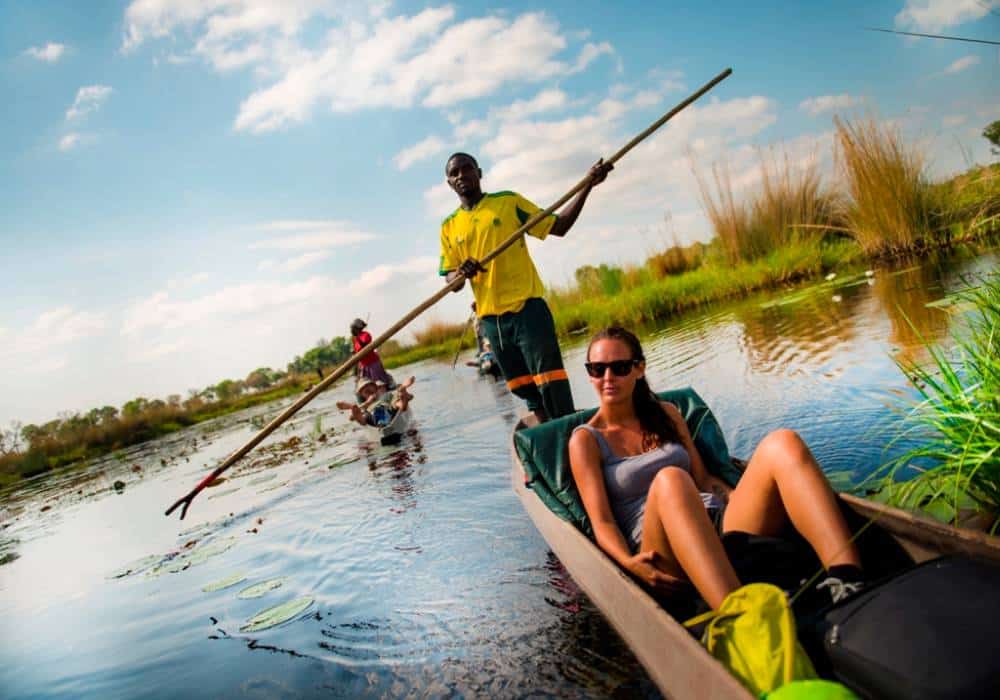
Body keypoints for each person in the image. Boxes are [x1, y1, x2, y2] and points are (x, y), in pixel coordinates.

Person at [568, 326, 865, 610]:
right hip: (661, 550)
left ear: (639, 368)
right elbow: (603, 522)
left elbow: (704, 479)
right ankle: (743, 617)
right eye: (596, 369)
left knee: (783, 442)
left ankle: (849, 577)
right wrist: (628, 564)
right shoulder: (586, 440)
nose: (607, 377)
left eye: (619, 368)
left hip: (713, 519)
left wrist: (741, 499)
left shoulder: (667, 414)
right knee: (671, 478)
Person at [439, 152, 612, 423]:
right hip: (492, 321)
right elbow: (451, 281)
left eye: (467, 169)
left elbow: (559, 226)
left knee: (551, 382)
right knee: (523, 388)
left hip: (527, 310)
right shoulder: (448, 226)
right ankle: (550, 435)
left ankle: (572, 437)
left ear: (479, 172)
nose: (461, 176)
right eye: (454, 173)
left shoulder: (508, 202)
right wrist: (460, 273)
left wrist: (588, 184)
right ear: (449, 183)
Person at [338, 376, 415, 428]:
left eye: (369, 386)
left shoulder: (387, 395)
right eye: (364, 389)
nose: (367, 389)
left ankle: (403, 401)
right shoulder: (365, 405)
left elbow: (410, 396)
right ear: (362, 394)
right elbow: (351, 418)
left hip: (390, 411)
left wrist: (403, 394)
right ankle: (365, 420)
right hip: (373, 418)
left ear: (375, 387)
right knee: (365, 416)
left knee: (395, 404)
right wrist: (367, 403)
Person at [350, 318, 395, 389]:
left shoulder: (365, 335)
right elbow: (357, 352)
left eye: (353, 328)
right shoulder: (355, 340)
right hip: (364, 365)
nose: (352, 330)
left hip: (372, 363)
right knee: (365, 384)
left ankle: (387, 384)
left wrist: (358, 339)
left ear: (358, 328)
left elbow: (365, 345)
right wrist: (354, 352)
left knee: (378, 382)